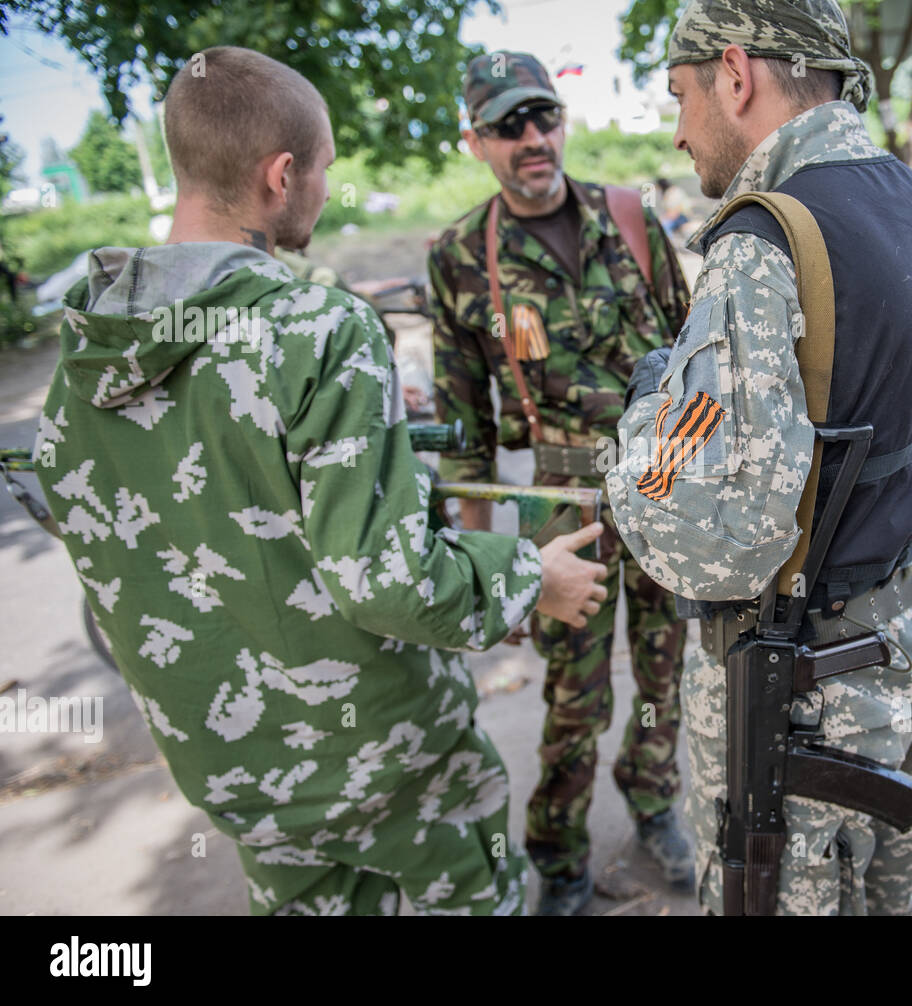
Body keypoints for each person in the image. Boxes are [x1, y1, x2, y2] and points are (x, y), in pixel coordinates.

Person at [31, 45, 607, 917]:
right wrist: (532, 575)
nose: (328, 191)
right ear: (282, 174)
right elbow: (385, 581)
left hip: (235, 778)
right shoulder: (317, 326)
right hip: (389, 761)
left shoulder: (84, 356)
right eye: (327, 169)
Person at [606, 0, 912, 915]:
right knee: (883, 899)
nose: (677, 133)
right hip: (899, 640)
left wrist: (639, 428)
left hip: (798, 685)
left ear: (735, 75)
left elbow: (710, 540)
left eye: (681, 95)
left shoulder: (762, 239)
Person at [426, 51, 695, 914]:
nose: (533, 139)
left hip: (667, 481)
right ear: (477, 141)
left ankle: (655, 803)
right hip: (564, 506)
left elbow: (700, 357)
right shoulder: (463, 257)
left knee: (666, 672)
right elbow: (462, 425)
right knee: (574, 698)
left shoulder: (632, 216)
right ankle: (561, 858)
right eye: (508, 126)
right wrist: (483, 564)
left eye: (543, 117)